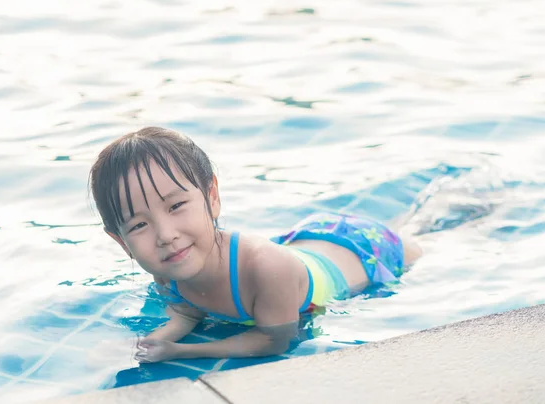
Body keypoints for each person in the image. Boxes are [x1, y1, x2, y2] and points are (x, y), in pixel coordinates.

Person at [89, 126, 422, 363]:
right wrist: (151, 342)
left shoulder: (265, 268)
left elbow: (275, 339)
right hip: (303, 246)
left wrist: (182, 352)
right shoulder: (172, 260)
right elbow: (188, 308)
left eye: (176, 206)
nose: (165, 234)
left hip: (367, 252)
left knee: (430, 232)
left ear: (212, 196)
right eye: (140, 225)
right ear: (122, 242)